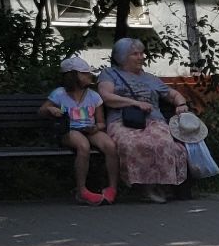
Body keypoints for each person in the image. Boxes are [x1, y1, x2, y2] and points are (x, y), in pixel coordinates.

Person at [98, 38, 190, 203]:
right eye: (135, 54)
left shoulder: (150, 78)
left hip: (153, 121)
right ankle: (145, 187)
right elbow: (106, 97)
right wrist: (135, 103)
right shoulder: (109, 74)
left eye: (142, 53)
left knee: (164, 142)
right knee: (133, 143)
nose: (141, 57)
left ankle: (161, 185)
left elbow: (173, 94)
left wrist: (181, 103)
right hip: (123, 121)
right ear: (122, 57)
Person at [42, 57, 117, 206]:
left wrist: (95, 127)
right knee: (83, 146)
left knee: (110, 146)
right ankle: (82, 190)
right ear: (73, 75)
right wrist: (51, 109)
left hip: (89, 129)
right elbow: (42, 110)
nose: (90, 76)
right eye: (85, 73)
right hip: (69, 129)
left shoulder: (94, 96)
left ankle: (113, 188)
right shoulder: (59, 94)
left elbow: (101, 122)